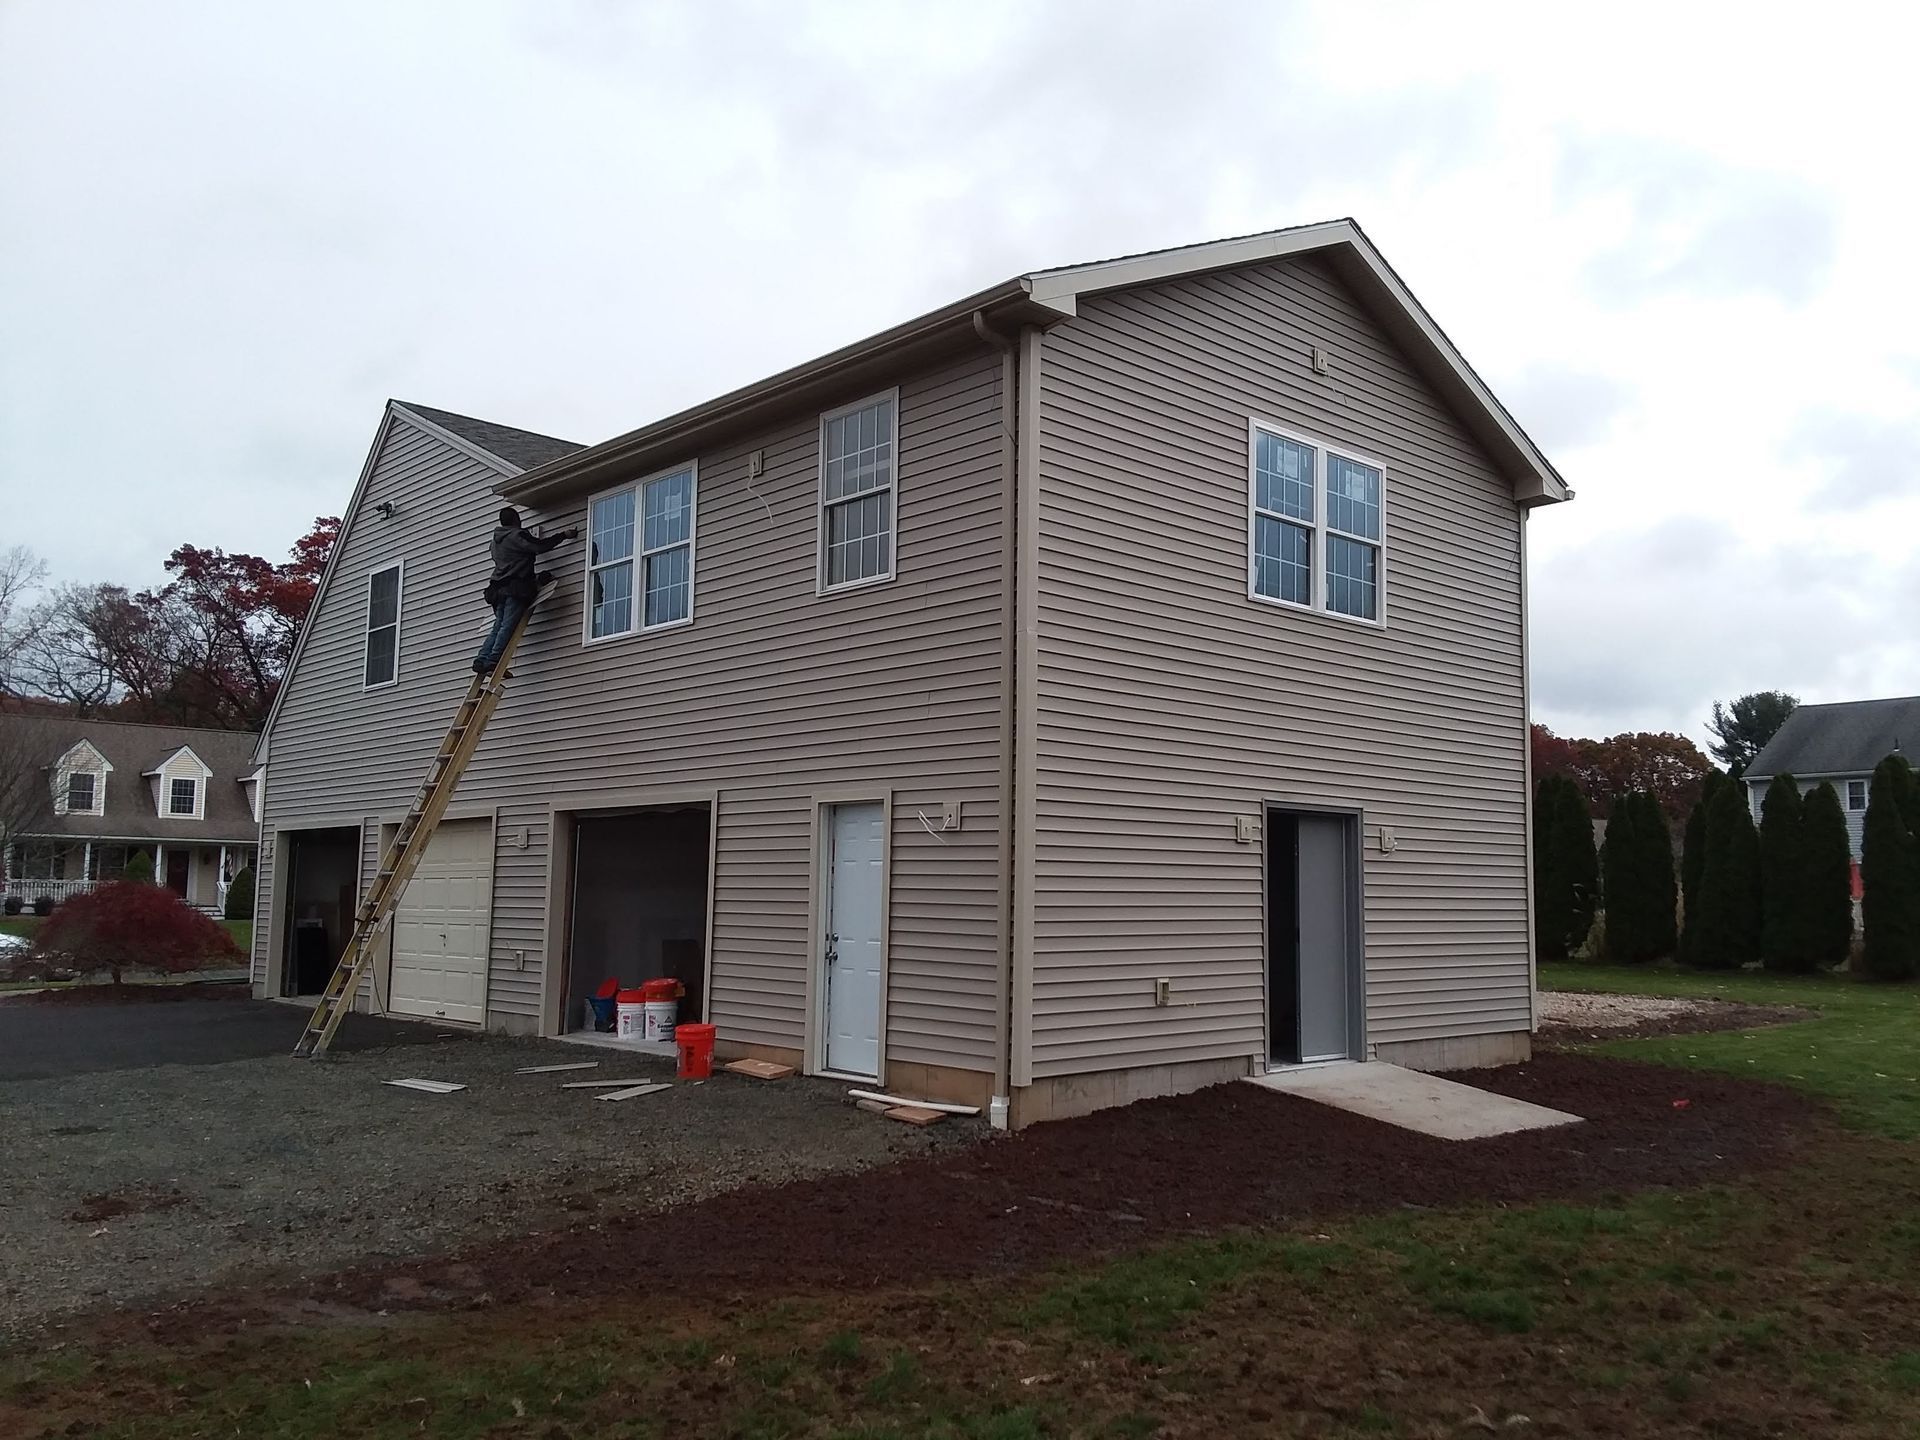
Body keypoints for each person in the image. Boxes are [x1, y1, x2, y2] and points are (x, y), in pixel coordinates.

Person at [474, 507, 576, 673]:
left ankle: (482, 658)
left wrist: (537, 579)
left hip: (497, 589)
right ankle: (493, 659)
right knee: (507, 625)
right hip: (514, 589)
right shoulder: (517, 536)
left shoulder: (495, 542)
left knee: (498, 625)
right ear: (516, 520)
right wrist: (563, 535)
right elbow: (539, 546)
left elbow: (512, 564)